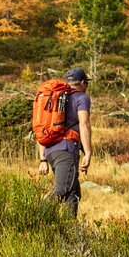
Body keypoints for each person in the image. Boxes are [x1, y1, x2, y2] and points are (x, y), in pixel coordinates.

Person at [37, 67, 93, 216]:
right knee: (61, 191)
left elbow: (42, 127)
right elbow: (84, 123)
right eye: (86, 83)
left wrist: (42, 159)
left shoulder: (54, 97)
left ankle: (70, 232)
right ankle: (33, 220)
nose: (86, 87)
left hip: (50, 151)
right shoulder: (81, 98)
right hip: (66, 151)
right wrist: (88, 152)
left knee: (72, 194)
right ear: (82, 82)